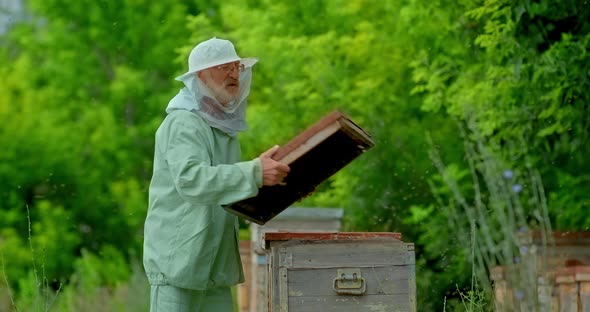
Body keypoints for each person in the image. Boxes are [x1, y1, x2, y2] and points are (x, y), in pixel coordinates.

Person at [143, 37, 290, 311]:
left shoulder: (225, 132)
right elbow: (192, 181)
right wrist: (255, 171)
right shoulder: (183, 122)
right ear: (200, 75)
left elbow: (227, 189)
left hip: (213, 271)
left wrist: (284, 183)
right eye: (223, 67)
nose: (234, 73)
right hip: (178, 268)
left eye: (236, 67)